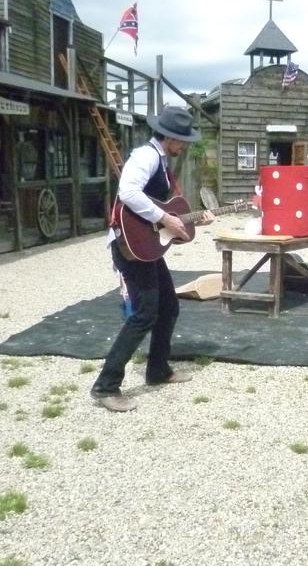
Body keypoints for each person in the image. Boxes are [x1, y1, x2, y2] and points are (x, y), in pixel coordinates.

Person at [90, 106, 212, 411]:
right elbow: (128, 192)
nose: (184, 145)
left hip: (147, 245)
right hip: (131, 246)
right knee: (145, 313)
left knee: (168, 306)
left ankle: (158, 370)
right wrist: (165, 218)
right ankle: (105, 386)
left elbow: (161, 210)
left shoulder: (161, 160)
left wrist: (189, 221)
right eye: (182, 140)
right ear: (170, 138)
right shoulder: (146, 156)